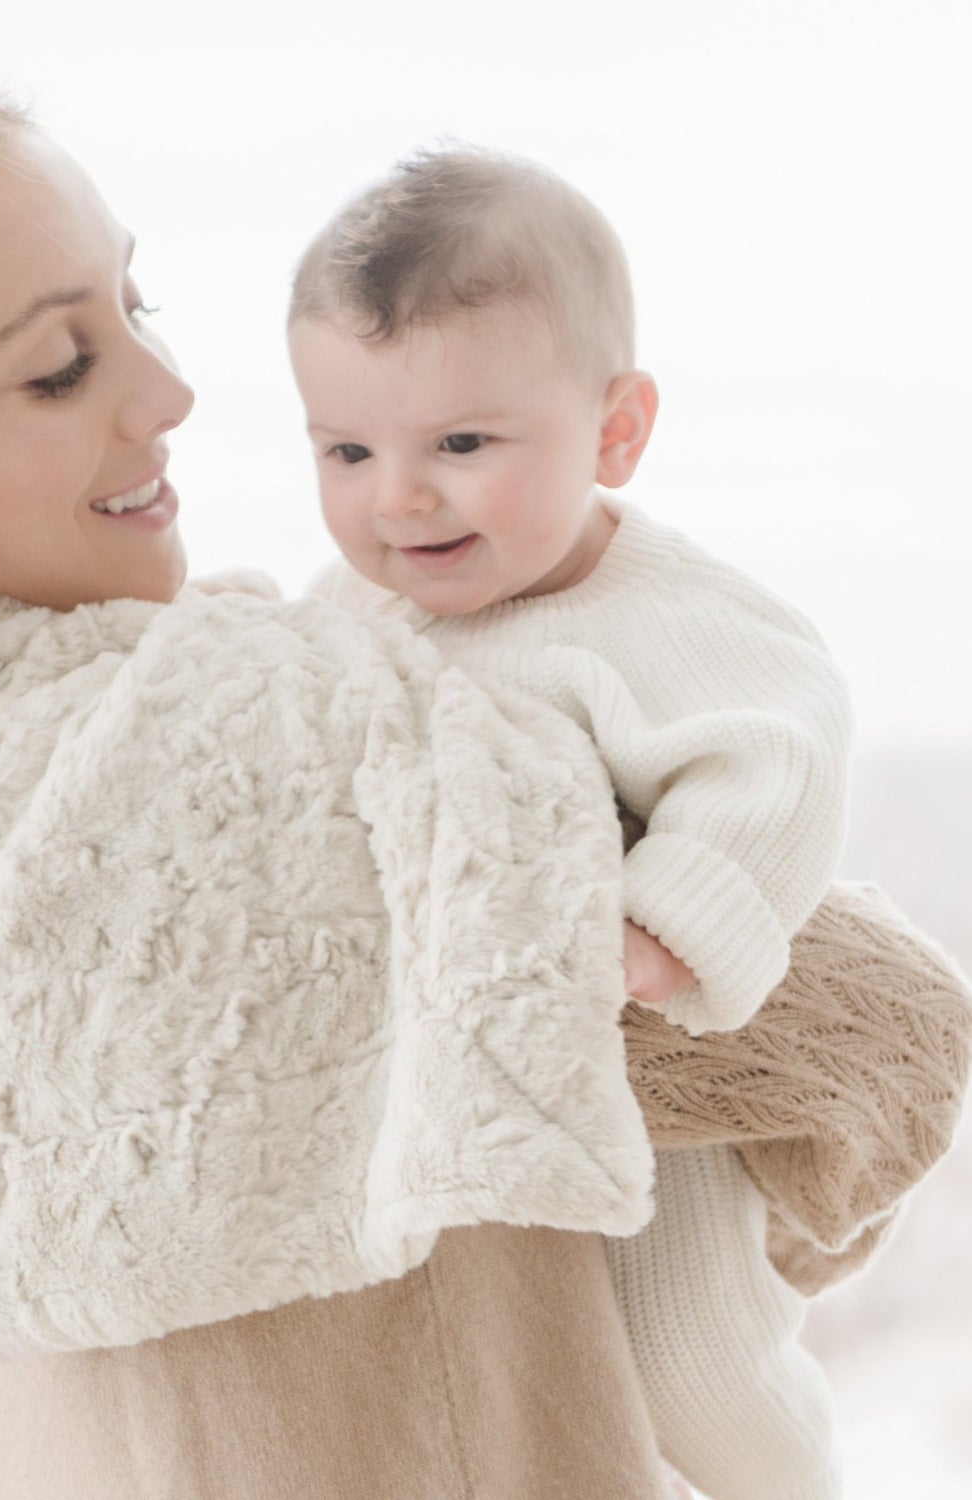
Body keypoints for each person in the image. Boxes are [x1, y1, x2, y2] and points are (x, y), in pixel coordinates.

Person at [0, 74, 971, 1500]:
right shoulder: (213, 763)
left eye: (136, 309)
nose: (173, 391)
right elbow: (881, 1031)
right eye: (60, 366)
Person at [287, 145, 854, 1498]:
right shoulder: (352, 606)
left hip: (637, 1092)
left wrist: (659, 928)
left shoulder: (669, 619)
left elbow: (778, 759)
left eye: (461, 446)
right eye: (345, 450)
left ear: (615, 432)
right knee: (516, 1395)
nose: (397, 498)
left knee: (686, 1362)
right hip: (444, 1105)